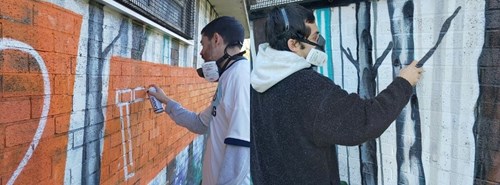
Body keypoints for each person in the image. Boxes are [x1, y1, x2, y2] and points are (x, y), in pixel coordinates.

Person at [250, 3, 423, 185]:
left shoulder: (258, 81)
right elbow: (364, 120)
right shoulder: (308, 88)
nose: (320, 43)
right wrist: (403, 83)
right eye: (315, 37)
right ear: (293, 44)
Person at [148, 16, 250, 185]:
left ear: (216, 39)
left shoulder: (240, 76)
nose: (201, 53)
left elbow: (241, 149)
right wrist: (165, 100)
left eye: (203, 44)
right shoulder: (229, 76)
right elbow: (199, 124)